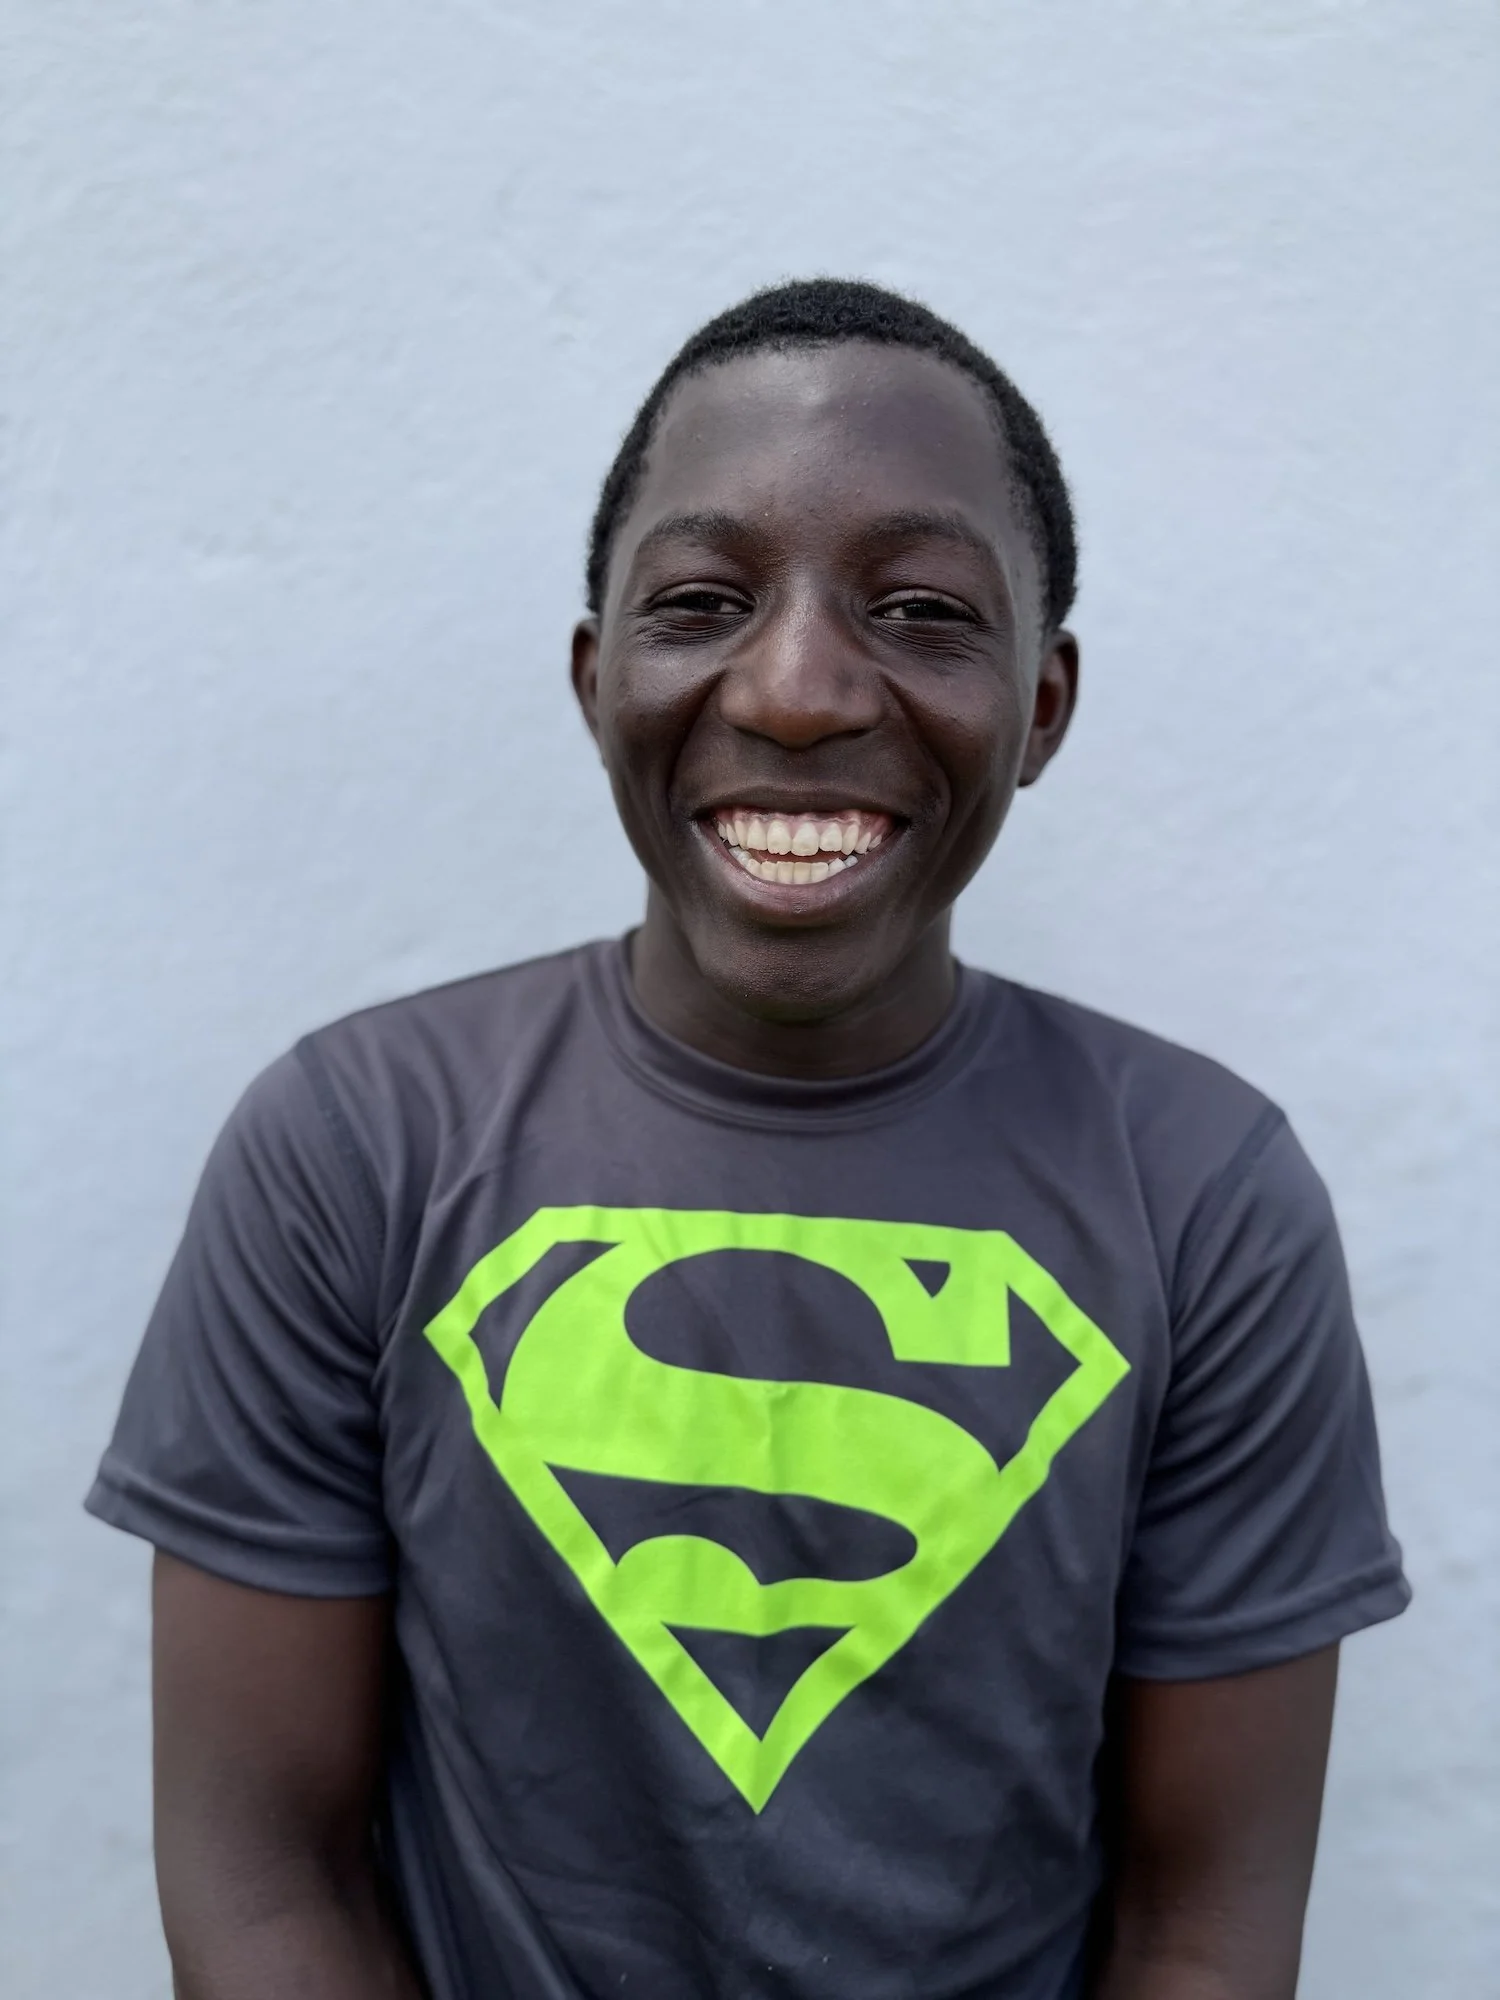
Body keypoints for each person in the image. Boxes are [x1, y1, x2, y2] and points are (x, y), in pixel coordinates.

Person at [88, 278, 1410, 2000]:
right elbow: (264, 1877)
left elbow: (1206, 1925)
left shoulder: (1204, 1197)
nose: (793, 689)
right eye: (703, 600)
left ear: (1044, 705)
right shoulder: (355, 1150)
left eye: (924, 609)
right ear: (595, 679)